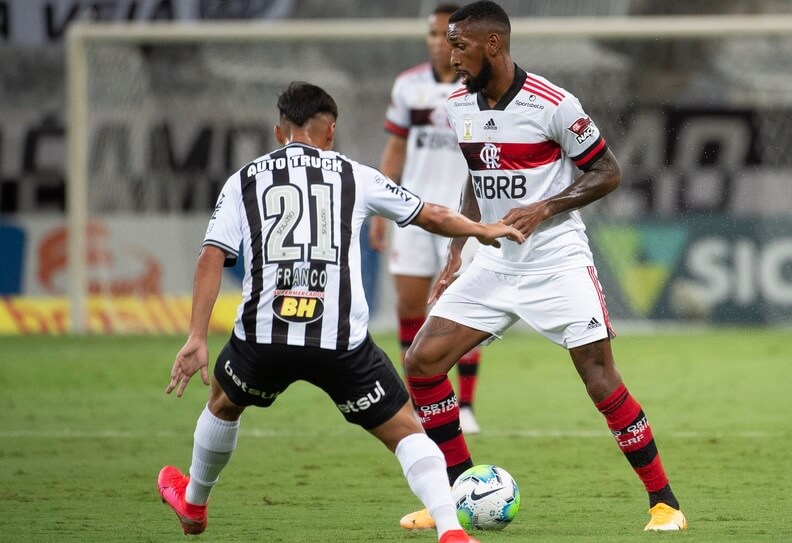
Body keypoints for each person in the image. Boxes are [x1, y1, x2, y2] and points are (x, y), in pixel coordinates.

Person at [156, 81, 525, 542]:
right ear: (330, 131)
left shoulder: (243, 180)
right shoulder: (353, 174)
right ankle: (451, 531)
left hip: (263, 339)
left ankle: (194, 504)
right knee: (407, 430)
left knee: (223, 403)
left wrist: (196, 337)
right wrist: (481, 229)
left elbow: (212, 255)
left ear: (279, 132)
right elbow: (428, 213)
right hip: (339, 343)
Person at [398, 1, 688, 534]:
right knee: (422, 362)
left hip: (556, 259)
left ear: (493, 44)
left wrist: (545, 207)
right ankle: (456, 495)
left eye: (459, 45)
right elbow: (476, 176)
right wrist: (458, 250)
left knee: (599, 378)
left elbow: (608, 172)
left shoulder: (553, 103)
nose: (450, 56)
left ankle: (664, 503)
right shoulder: (458, 103)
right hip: (495, 260)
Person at [369, 3, 484, 436]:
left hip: (461, 216)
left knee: (463, 306)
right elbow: (396, 149)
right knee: (409, 306)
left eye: (448, 36)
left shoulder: (479, 88)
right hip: (412, 212)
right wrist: (381, 209)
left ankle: (465, 405)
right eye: (433, 35)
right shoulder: (408, 86)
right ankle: (418, 404)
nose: (439, 43)